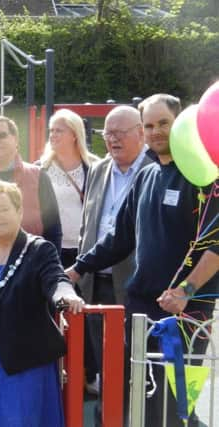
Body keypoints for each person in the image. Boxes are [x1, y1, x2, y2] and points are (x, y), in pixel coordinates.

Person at [66, 94, 218, 427]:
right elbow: (118, 238)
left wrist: (186, 290)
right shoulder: (146, 176)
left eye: (163, 123)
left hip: (186, 311)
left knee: (177, 405)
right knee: (145, 399)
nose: (156, 131)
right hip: (141, 308)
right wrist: (77, 269)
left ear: (180, 124)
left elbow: (216, 245)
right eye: (149, 125)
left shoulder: (204, 176)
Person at [0, 181, 83, 427]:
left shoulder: (38, 249)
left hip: (23, 364)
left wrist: (65, 296)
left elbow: (56, 278)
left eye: (3, 209)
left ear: (19, 211)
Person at [77, 106, 152, 397]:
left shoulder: (155, 169)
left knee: (137, 366)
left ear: (140, 133)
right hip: (96, 285)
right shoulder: (97, 169)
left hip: (135, 286)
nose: (113, 139)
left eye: (120, 133)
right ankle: (107, 415)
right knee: (105, 364)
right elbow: (88, 224)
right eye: (108, 133)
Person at [0, 115, 62, 260]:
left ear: (15, 139)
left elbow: (53, 230)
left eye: (1, 135)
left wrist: (51, 268)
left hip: (27, 265)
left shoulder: (37, 176)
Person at [37, 109, 99, 267]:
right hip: (51, 248)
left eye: (59, 130)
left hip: (85, 249)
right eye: (51, 130)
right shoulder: (40, 169)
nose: (53, 135)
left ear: (74, 134)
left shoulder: (95, 166)